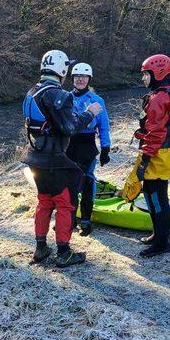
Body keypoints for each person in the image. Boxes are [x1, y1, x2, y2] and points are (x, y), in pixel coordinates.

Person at [22, 50, 102, 267]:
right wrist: (91, 113)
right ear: (62, 70)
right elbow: (70, 127)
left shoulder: (32, 92)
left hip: (35, 158)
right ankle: (64, 253)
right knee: (66, 204)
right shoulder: (59, 95)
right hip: (55, 160)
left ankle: (40, 249)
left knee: (44, 202)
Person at [122, 54, 170, 257]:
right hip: (165, 152)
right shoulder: (168, 92)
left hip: (158, 155)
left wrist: (144, 160)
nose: (143, 79)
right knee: (151, 194)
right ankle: (158, 235)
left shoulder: (159, 98)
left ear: (157, 73)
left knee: (157, 198)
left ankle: (162, 244)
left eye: (145, 74)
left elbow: (156, 133)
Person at [65, 63, 111, 237]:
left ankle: (86, 220)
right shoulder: (65, 98)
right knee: (69, 184)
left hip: (87, 146)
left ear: (89, 79)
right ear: (72, 79)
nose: (80, 79)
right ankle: (69, 220)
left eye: (84, 77)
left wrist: (105, 148)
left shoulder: (97, 100)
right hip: (68, 147)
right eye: (77, 76)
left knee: (87, 182)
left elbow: (104, 127)